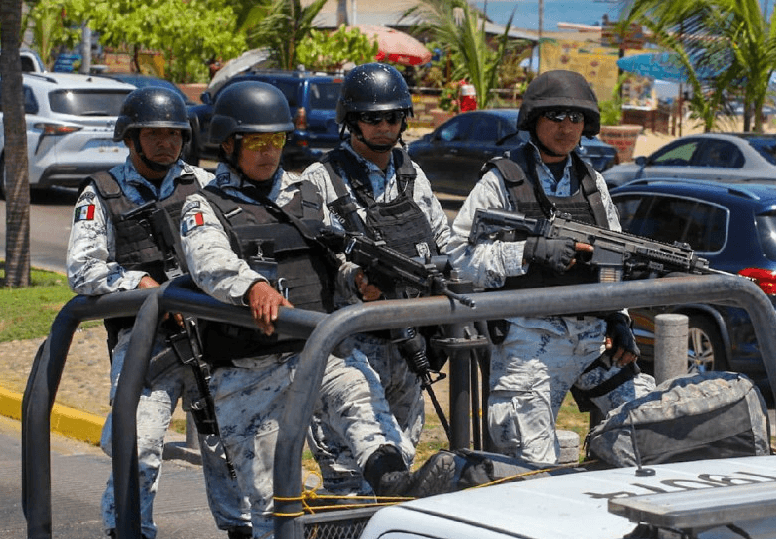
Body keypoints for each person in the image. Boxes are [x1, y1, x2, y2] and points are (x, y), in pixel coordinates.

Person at [179, 80, 447, 538]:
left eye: (277, 141)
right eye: (257, 143)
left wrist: (355, 282)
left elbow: (331, 262)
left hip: (314, 350)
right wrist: (253, 287)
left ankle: (391, 479)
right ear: (228, 143)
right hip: (248, 369)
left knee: (358, 394)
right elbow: (209, 262)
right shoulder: (204, 205)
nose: (269, 153)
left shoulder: (306, 195)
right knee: (270, 504)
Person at [66, 86, 251, 539]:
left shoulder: (206, 186)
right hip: (146, 343)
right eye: (155, 134)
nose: (167, 143)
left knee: (228, 443)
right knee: (139, 447)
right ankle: (127, 528)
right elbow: (83, 269)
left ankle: (241, 528)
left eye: (174, 134)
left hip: (210, 338)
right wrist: (142, 286)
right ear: (131, 138)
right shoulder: (103, 193)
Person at [447, 70, 656, 466]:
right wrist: (528, 252)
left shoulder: (592, 182)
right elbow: (458, 257)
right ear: (534, 119)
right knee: (528, 464)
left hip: (591, 340)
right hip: (528, 339)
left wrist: (619, 319)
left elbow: (612, 256)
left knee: (648, 431)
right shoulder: (502, 181)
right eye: (556, 116)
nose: (566, 127)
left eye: (575, 118)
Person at [299, 63, 453, 494]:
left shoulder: (410, 173)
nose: (385, 127)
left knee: (398, 468)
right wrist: (355, 278)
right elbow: (316, 258)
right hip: (353, 347)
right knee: (350, 474)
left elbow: (442, 241)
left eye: (393, 117)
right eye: (373, 118)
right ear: (351, 121)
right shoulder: (321, 178)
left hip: (407, 347)